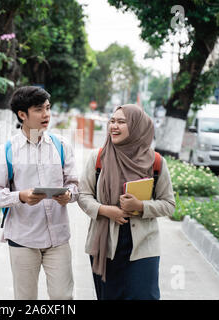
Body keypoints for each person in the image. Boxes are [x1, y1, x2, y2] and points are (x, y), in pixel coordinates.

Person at [0, 86, 79, 300]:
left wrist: (69, 196)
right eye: (38, 109)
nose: (46, 115)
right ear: (22, 115)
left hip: (58, 238)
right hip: (23, 239)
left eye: (47, 108)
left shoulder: (61, 146)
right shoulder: (6, 150)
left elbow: (74, 186)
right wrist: (20, 196)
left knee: (63, 297)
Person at [77, 104, 175, 300]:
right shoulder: (98, 158)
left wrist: (141, 207)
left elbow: (169, 204)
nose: (114, 126)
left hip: (143, 245)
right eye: (112, 121)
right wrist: (105, 210)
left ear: (137, 127)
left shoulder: (155, 162)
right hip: (105, 244)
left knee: (145, 296)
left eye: (121, 122)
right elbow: (82, 195)